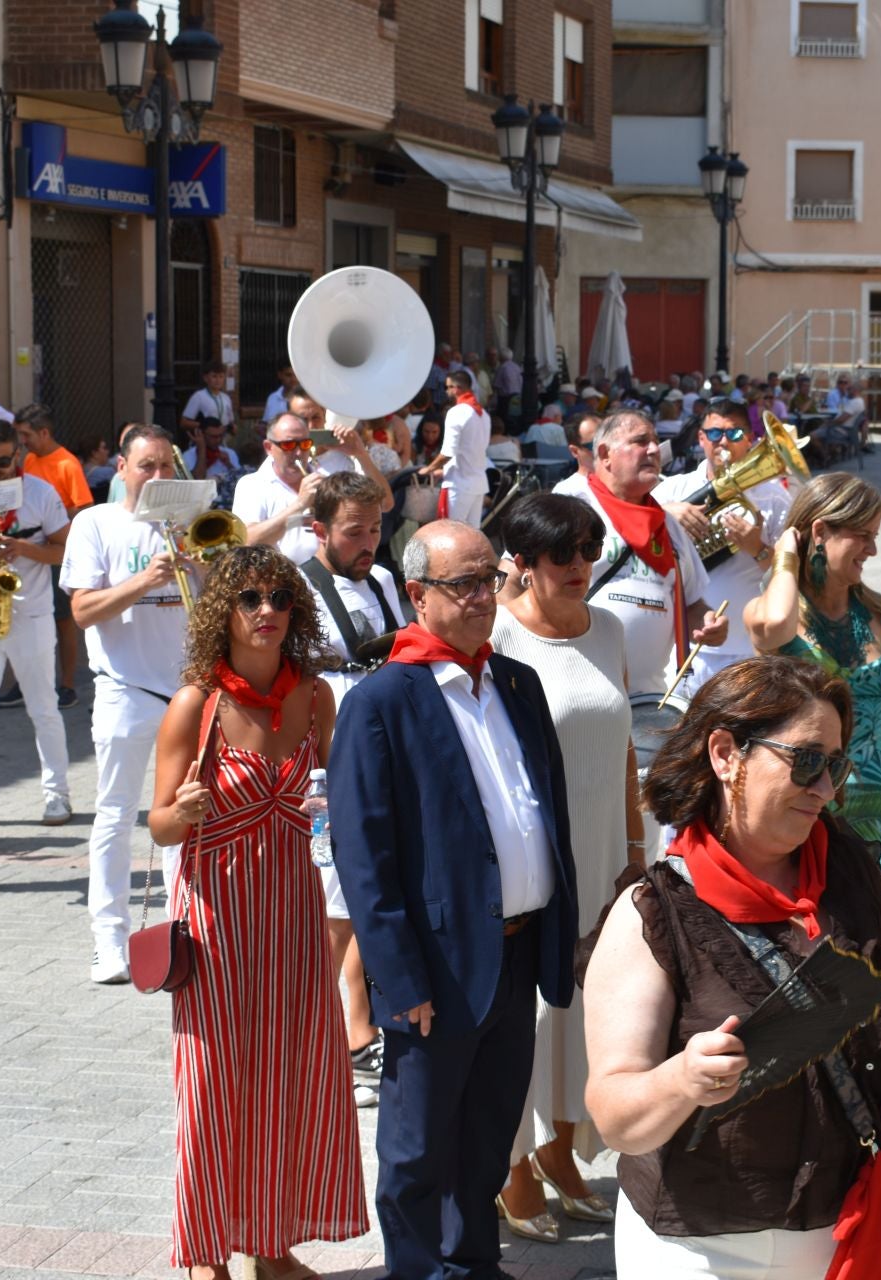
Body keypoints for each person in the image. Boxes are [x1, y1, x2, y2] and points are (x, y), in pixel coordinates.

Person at [581, 655, 881, 1278]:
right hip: (701, 1251)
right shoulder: (654, 911)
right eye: (807, 760)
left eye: (836, 765)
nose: (827, 789)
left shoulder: (852, 873)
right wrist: (681, 1080)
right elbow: (616, 1113)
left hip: (849, 1229)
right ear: (726, 755)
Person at [329, 520, 580, 1280]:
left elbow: (547, 813)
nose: (483, 597)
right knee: (417, 1146)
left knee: (488, 1133)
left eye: (489, 578)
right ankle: (416, 1270)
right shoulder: (382, 700)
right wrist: (398, 983)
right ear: (415, 596)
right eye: (462, 584)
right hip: (436, 967)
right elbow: (365, 859)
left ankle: (473, 1262)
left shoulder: (515, 683)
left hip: (517, 948)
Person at [147, 546, 368, 1280]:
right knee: (213, 1085)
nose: (266, 610)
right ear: (225, 613)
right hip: (218, 919)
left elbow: (350, 794)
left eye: (279, 597)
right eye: (248, 599)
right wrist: (178, 812)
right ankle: (207, 1253)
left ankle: (270, 1247)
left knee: (288, 1078)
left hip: (295, 914)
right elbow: (157, 826)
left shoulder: (314, 698)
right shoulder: (197, 703)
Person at [490, 494, 637, 1242]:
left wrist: (636, 849)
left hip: (605, 850)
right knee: (533, 1012)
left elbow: (626, 748)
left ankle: (559, 1148)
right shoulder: (498, 637)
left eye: (586, 550)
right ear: (522, 563)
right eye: (560, 555)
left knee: (586, 1009)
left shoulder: (608, 626)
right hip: (538, 859)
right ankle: (511, 1166)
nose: (578, 566)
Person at [745, 472, 881, 929]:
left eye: (875, 537)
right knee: (824, 966)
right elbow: (775, 624)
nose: (872, 550)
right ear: (820, 531)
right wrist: (785, 556)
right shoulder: (770, 612)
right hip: (808, 820)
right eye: (863, 536)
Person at [62, 427, 195, 983]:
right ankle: (109, 940)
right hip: (124, 689)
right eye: (147, 466)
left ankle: (181, 930)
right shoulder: (95, 522)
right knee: (115, 816)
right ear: (122, 467)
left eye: (167, 466)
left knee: (182, 818)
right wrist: (145, 579)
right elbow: (83, 610)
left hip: (186, 692)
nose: (159, 477)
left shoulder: (188, 524)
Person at [301, 471, 410, 1108]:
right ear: (318, 529)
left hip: (380, 745)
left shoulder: (385, 580)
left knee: (365, 890)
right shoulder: (296, 585)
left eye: (374, 529)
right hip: (329, 755)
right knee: (334, 900)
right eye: (353, 531)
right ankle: (322, 1039)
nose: (368, 542)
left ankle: (355, 1025)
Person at [536, 408, 727, 697]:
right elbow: (514, 580)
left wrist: (710, 624)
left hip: (649, 702)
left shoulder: (670, 526)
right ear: (605, 453)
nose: (654, 449)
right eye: (640, 441)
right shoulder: (568, 507)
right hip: (570, 693)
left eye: (655, 441)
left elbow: (692, 603)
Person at [0, 420, 74, 826]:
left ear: (17, 455)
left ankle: (57, 796)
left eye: (3, 461)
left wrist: (23, 549)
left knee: (44, 709)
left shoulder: (40, 493)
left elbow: (65, 551)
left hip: (33, 614)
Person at [658, 401, 792, 699]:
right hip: (681, 647)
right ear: (701, 438)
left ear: (749, 439)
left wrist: (757, 548)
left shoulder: (774, 498)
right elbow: (631, 523)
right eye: (715, 432)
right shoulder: (673, 490)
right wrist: (667, 512)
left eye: (733, 433)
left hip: (747, 651)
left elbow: (793, 579)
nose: (723, 441)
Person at [17, 404, 92, 707]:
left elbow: (84, 509)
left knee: (62, 620)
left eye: (26, 435)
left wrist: (54, 512)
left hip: (59, 550)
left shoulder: (67, 464)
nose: (23, 441)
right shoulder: (31, 459)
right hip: (33, 550)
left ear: (44, 433)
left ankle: (67, 683)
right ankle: (27, 681)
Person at [233, 411, 329, 562]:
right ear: (269, 447)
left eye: (304, 444)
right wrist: (299, 505)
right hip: (278, 581)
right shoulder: (252, 485)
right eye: (289, 445)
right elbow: (246, 542)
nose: (298, 452)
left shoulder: (324, 480)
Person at [423, 369, 492, 525]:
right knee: (473, 534)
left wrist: (429, 469)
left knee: (451, 533)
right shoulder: (484, 415)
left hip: (459, 485)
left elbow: (448, 452)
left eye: (448, 387)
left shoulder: (457, 412)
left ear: (456, 388)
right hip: (478, 483)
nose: (447, 391)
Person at [180, 361, 234, 441]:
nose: (218, 380)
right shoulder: (199, 396)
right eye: (214, 376)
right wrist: (204, 425)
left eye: (221, 377)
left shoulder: (226, 398)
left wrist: (232, 428)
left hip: (223, 441)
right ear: (206, 378)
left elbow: (231, 422)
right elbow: (184, 423)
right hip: (205, 441)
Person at [551, 415, 599, 498]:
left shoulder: (624, 481)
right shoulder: (567, 491)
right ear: (575, 451)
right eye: (594, 445)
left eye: (611, 440)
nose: (604, 448)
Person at [492, 347, 524, 422]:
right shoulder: (517, 367)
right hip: (518, 396)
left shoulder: (502, 368)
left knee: (505, 419)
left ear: (501, 357)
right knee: (515, 418)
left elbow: (496, 385)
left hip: (506, 399)